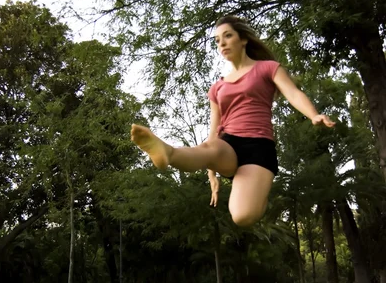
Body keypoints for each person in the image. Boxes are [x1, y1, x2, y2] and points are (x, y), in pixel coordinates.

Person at [131, 15, 335, 227]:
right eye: (218, 41)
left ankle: (260, 195)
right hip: (227, 143)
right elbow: (213, 130)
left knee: (241, 216)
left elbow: (292, 93)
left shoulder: (268, 68)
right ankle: (168, 152)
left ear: (243, 39)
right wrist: (211, 171)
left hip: (258, 147)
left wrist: (313, 114)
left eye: (228, 36)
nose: (223, 43)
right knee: (210, 147)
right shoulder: (217, 87)